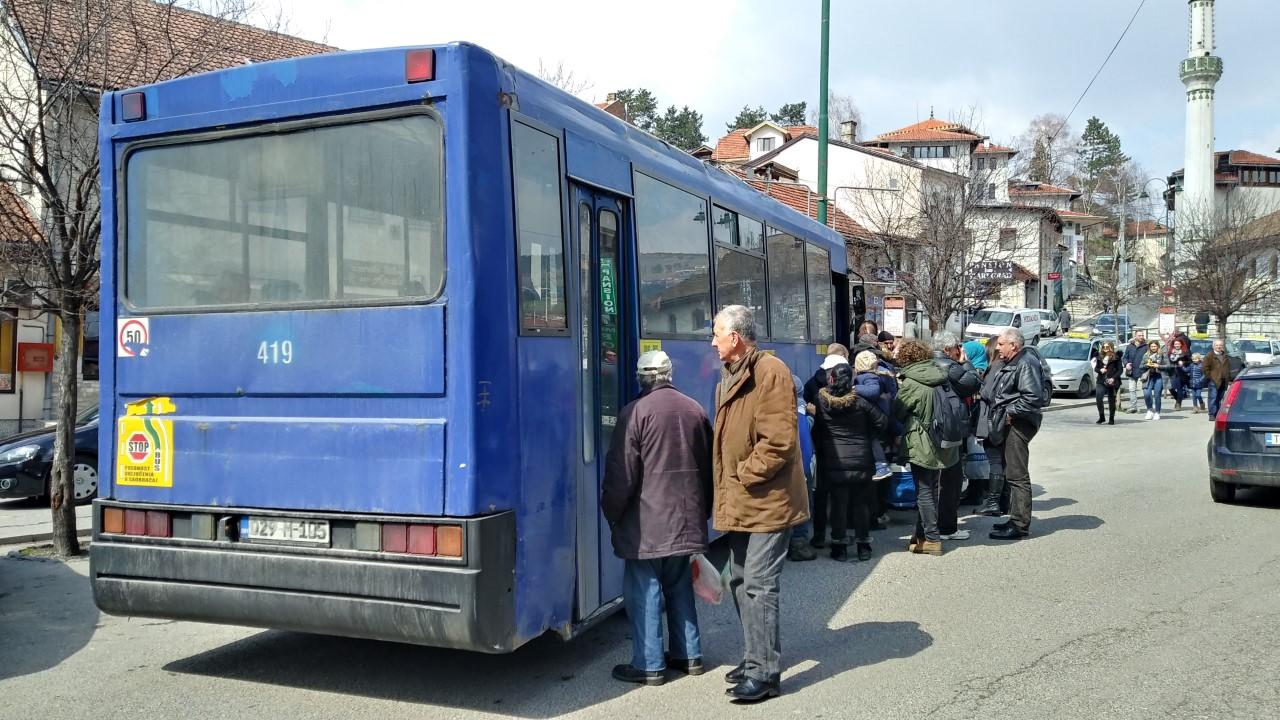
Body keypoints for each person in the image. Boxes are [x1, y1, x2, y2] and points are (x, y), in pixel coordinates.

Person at [709, 305, 809, 704]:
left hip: (766, 499)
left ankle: (765, 673)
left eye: (716, 333)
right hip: (742, 499)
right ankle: (754, 657)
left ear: (735, 337)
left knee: (758, 583)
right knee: (737, 579)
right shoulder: (730, 374)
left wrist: (743, 475)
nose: (712, 340)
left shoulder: (770, 371)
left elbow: (779, 442)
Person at [602, 351, 712, 687]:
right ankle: (688, 655)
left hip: (646, 524)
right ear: (669, 374)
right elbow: (709, 468)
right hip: (686, 518)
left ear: (642, 378)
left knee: (645, 590)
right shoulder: (694, 409)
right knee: (679, 586)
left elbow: (622, 474)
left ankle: (649, 664)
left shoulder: (634, 412)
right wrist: (703, 510)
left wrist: (612, 511)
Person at [812, 364, 888, 562]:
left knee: (838, 504)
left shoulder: (822, 402)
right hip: (862, 460)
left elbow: (817, 430)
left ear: (831, 379)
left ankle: (840, 547)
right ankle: (864, 547)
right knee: (861, 504)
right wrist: (867, 437)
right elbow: (882, 422)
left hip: (833, 460)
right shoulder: (861, 402)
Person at [978, 329, 1045, 540]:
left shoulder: (1026, 362)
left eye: (1001, 344)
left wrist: (1010, 411)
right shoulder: (1013, 361)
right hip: (1010, 422)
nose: (997, 348)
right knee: (1012, 473)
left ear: (1013, 345)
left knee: (1017, 474)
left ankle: (1019, 525)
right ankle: (1015, 519)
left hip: (1019, 424)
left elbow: (1033, 397)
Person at [892, 339, 956, 556]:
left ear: (906, 359)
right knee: (932, 487)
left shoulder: (912, 383)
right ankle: (920, 535)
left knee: (924, 491)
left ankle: (932, 538)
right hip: (943, 440)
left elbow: (897, 412)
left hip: (921, 440)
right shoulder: (940, 375)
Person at [932, 333, 982, 542]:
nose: (958, 352)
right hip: (949, 428)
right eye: (956, 349)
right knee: (951, 479)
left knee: (935, 480)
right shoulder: (949, 366)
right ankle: (947, 527)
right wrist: (967, 363)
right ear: (947, 350)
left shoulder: (929, 363)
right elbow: (972, 383)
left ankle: (934, 526)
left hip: (934, 428)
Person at [787, 374, 820, 562]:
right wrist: (812, 416)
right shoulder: (799, 411)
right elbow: (803, 437)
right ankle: (799, 544)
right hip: (799, 466)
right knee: (802, 504)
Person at [851, 350, 895, 480]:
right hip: (885, 412)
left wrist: (854, 389)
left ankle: (881, 466)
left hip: (877, 414)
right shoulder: (883, 374)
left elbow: (873, 391)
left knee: (872, 438)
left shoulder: (868, 377)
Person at [1092, 341, 1122, 425]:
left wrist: (1113, 378)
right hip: (1101, 380)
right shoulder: (1099, 356)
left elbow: (1120, 370)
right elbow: (1096, 368)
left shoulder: (1116, 357)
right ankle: (1102, 417)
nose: (1105, 349)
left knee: (1111, 400)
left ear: (1111, 347)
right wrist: (1100, 370)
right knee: (1098, 397)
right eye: (1104, 347)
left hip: (1112, 381)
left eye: (1107, 347)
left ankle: (1111, 418)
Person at [1202, 339, 1232, 419]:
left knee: (1220, 398)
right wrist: (1211, 377)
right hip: (1214, 380)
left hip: (1223, 380)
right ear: (1213, 346)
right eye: (1217, 345)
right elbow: (1205, 368)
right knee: (1213, 398)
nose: (1219, 347)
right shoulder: (1209, 356)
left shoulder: (1225, 356)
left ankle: (1218, 414)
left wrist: (1229, 379)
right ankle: (1212, 414)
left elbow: (1228, 368)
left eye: (1220, 345)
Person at [1140, 340, 1168, 421]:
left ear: (1158, 347)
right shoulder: (1146, 355)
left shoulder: (1162, 355)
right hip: (1148, 377)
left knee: (1157, 395)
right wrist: (1146, 365)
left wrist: (1158, 366)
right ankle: (1150, 410)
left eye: (1155, 346)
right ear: (1149, 347)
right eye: (1151, 346)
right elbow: (1140, 366)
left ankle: (1157, 412)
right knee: (1146, 394)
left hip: (1159, 376)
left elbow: (1168, 366)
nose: (1153, 348)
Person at [1121, 330, 1148, 414]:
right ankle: (1133, 407)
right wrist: (1126, 364)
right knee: (1132, 390)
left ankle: (1148, 407)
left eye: (1142, 335)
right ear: (1135, 336)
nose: (1141, 337)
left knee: (1144, 390)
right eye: (1139, 335)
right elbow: (1125, 357)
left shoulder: (1146, 346)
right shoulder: (1130, 346)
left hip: (1143, 371)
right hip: (1132, 372)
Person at [1167, 338, 1192, 411]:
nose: (1176, 345)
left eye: (1178, 344)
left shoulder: (1186, 351)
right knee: (1170, 388)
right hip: (1172, 372)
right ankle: (1178, 399)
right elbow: (1167, 360)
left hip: (1181, 372)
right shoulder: (1170, 352)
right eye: (1175, 344)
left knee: (1179, 388)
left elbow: (1190, 361)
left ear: (1181, 344)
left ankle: (1178, 403)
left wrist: (1183, 362)